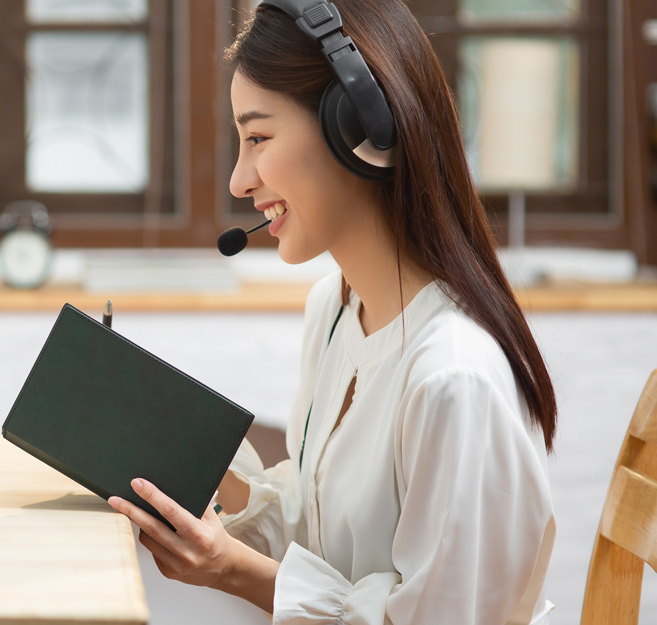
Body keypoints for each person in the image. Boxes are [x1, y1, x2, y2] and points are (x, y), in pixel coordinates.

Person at [105, 0, 558, 623]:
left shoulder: (454, 379)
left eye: (258, 137)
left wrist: (234, 571)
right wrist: (187, 468)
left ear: (362, 131)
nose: (240, 180)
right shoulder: (337, 309)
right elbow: (318, 522)